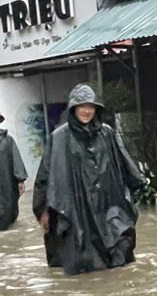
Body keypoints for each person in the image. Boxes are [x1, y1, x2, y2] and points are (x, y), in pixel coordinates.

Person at [32, 84, 145, 276]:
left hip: (106, 205)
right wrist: (42, 211)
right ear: (73, 108)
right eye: (81, 106)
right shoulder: (59, 137)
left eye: (90, 106)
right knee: (82, 261)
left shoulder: (107, 133)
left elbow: (124, 163)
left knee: (116, 254)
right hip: (76, 209)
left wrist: (136, 188)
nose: (86, 111)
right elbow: (45, 176)